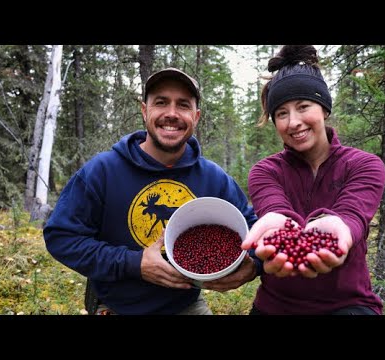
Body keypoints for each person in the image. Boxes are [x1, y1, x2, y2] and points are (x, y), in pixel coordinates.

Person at [44, 67, 260, 315]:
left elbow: (254, 229)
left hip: (185, 305)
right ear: (145, 110)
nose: (171, 114)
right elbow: (61, 237)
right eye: (161, 102)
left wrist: (254, 264)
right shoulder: (102, 171)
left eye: (183, 105)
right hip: (117, 306)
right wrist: (133, 263)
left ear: (196, 116)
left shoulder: (213, 179)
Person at [241, 45, 385, 315]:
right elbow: (275, 210)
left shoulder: (365, 165)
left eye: (303, 107)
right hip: (275, 306)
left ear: (324, 109)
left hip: (347, 304)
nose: (293, 122)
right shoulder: (265, 171)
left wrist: (334, 225)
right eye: (281, 113)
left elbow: (352, 215)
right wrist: (284, 224)